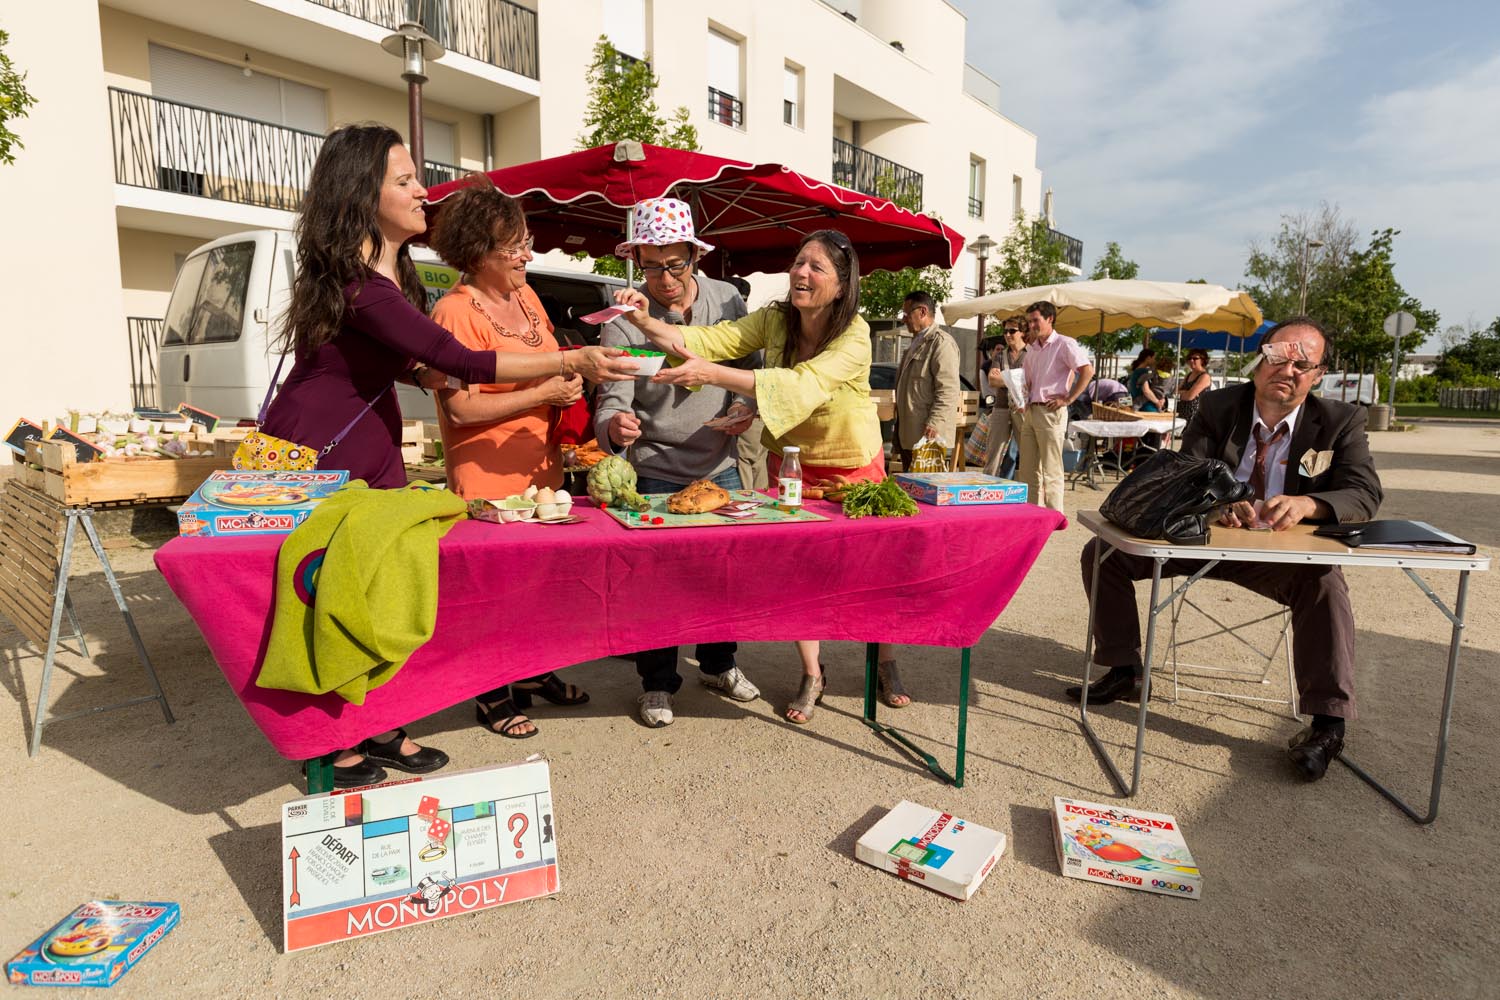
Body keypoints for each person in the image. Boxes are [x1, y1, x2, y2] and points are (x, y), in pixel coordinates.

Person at [262, 125, 635, 785]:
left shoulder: (389, 275)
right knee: (323, 591)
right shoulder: (360, 281)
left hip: (370, 447)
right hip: (318, 452)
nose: (422, 190)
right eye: (405, 180)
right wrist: (570, 358)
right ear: (360, 192)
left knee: (374, 588)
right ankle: (330, 739)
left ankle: (378, 726)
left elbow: (394, 359)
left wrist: (420, 375)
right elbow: (456, 357)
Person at [1069, 317, 1383, 782]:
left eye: (1303, 364)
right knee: (1103, 553)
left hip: (1281, 557)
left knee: (1325, 581)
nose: (1289, 370)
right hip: (1204, 541)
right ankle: (1125, 669)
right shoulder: (1217, 406)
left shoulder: (1341, 421)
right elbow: (1188, 470)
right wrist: (1215, 506)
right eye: (1279, 357)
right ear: (1260, 363)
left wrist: (1309, 503)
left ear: (1318, 375)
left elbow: (1363, 493)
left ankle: (1327, 724)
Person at [613, 228, 886, 725]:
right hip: (792, 462)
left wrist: (713, 376)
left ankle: (887, 660)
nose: (801, 273)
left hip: (850, 463)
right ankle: (811, 673)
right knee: (801, 574)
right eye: (799, 262)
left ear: (843, 285)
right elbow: (713, 340)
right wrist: (646, 322)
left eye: (817, 267)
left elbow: (800, 384)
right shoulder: (775, 318)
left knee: (865, 570)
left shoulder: (855, 333)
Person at [426, 174, 602, 741]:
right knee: (491, 592)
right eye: (515, 245)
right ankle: (491, 694)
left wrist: (568, 387)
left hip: (540, 470)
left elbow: (551, 362)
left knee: (537, 587)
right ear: (479, 252)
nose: (529, 253)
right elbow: (461, 411)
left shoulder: (525, 296)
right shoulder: (453, 313)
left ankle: (531, 672)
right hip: (485, 474)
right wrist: (545, 393)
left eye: (527, 240)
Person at [593, 198, 763, 728]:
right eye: (649, 265)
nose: (663, 278)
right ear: (635, 260)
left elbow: (752, 371)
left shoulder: (728, 299)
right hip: (655, 464)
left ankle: (718, 664)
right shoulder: (623, 319)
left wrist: (744, 406)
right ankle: (658, 684)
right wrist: (613, 426)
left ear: (695, 255)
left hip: (720, 464)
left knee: (723, 576)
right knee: (656, 583)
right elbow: (612, 396)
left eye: (674, 264)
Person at [1014, 301, 1093, 513]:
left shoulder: (1065, 344)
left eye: (1035, 320)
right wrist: (1021, 399)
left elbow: (1087, 370)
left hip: (1051, 411)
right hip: (1032, 410)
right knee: (1028, 470)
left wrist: (1068, 399)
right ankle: (1032, 513)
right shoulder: (1033, 349)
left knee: (1051, 469)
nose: (1031, 325)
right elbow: (1027, 381)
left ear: (1050, 319)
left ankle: (1054, 515)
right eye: (1030, 321)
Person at [893, 290, 961, 472]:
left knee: (926, 493)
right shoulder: (916, 342)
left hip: (928, 436)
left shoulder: (942, 343)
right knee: (910, 490)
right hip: (910, 432)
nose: (903, 319)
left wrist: (936, 422)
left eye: (906, 314)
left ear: (922, 312)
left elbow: (948, 390)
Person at [982, 320, 1027, 478]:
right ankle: (987, 490)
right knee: (993, 454)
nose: (1007, 335)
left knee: (1027, 453)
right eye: (1005, 331)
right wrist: (1018, 379)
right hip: (1001, 406)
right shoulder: (1001, 355)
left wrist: (1005, 378)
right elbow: (992, 380)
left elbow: (1031, 381)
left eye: (1012, 331)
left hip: (1023, 409)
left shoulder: (1030, 354)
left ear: (1022, 332)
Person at [1176, 349, 1212, 426]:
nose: (1191, 360)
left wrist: (1184, 393)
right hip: (1182, 414)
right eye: (1189, 358)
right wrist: (1186, 393)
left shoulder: (1204, 376)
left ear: (1202, 360)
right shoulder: (1188, 375)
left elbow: (1189, 397)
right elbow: (1175, 391)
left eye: (1195, 358)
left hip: (1195, 417)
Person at [1126, 347, 1164, 412]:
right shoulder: (1143, 372)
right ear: (1148, 358)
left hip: (1136, 404)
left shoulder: (1135, 371)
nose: (1155, 361)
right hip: (1145, 407)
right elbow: (1146, 391)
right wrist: (1157, 402)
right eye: (1154, 358)